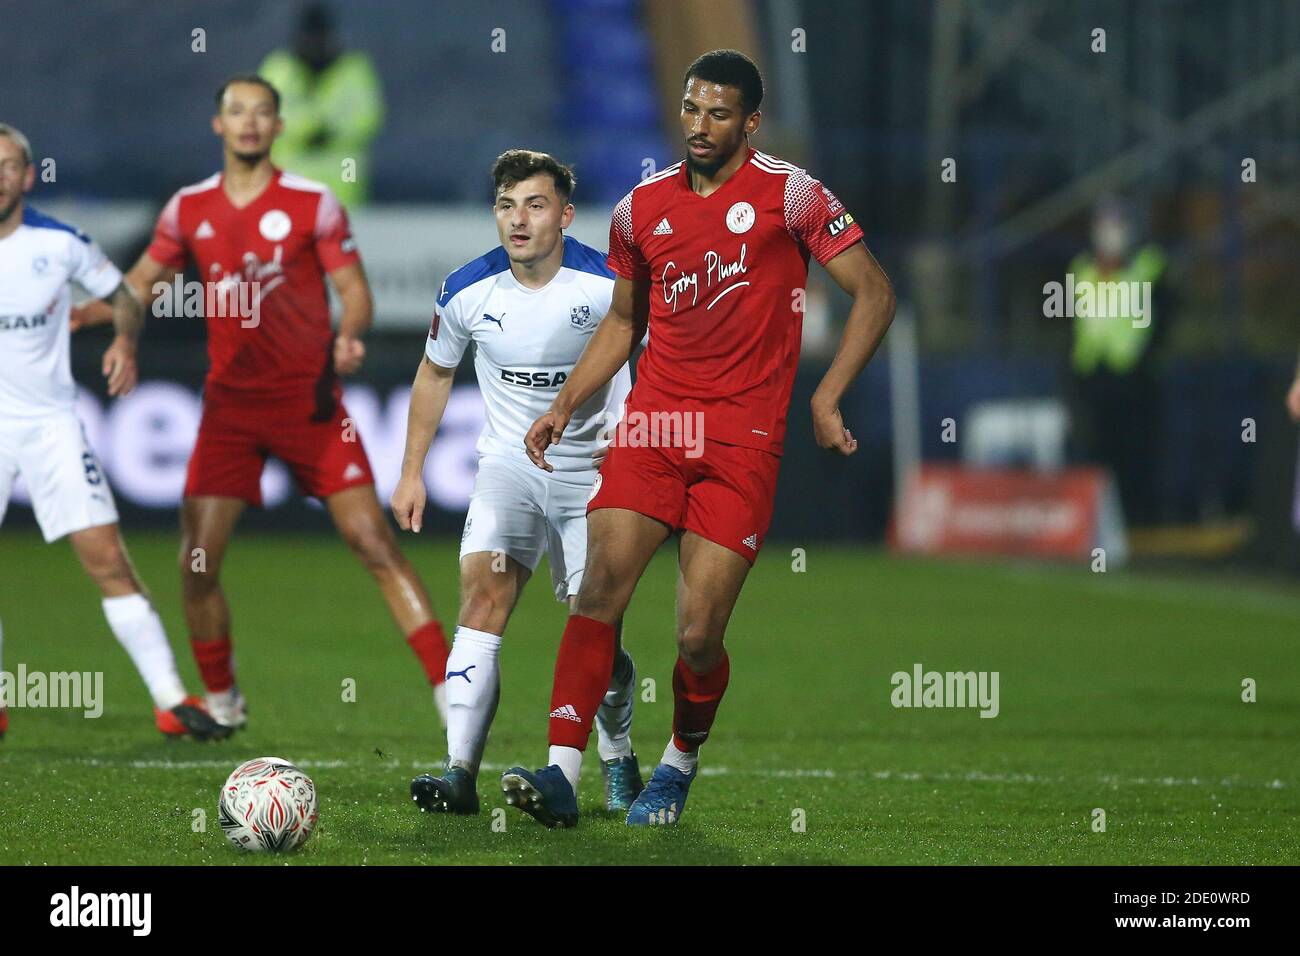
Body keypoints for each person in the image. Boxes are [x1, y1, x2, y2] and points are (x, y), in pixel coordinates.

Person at [500, 50, 896, 827]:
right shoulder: (639, 209)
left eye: (719, 114)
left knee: (697, 635)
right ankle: (560, 774)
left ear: (750, 122)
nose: (700, 126)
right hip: (653, 424)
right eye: (690, 109)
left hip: (741, 440)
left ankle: (678, 765)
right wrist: (565, 405)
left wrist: (827, 394)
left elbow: (875, 292)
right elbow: (623, 320)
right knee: (597, 593)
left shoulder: (792, 195)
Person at [71, 77, 449, 730]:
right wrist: (92, 316)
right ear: (217, 125)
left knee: (375, 544)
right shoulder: (188, 208)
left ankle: (452, 697)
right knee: (197, 564)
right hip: (230, 415)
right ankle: (222, 700)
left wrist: (351, 335)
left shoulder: (313, 204)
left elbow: (354, 291)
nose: (249, 123)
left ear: (278, 127)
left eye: (262, 113)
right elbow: (140, 286)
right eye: (236, 111)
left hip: (311, 405)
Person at [391, 149, 642, 815]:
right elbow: (434, 373)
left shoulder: (607, 283)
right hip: (509, 467)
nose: (518, 219)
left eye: (534, 204)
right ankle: (458, 773)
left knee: (598, 630)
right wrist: (412, 470)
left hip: (595, 473)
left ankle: (618, 752)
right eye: (506, 205)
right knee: (482, 600)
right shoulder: (467, 289)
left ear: (565, 213)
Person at [0, 122, 229, 742]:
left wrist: (124, 342)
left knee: (107, 560)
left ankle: (169, 699)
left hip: (49, 425)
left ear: (27, 176)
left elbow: (124, 294)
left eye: (8, 165)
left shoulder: (60, 243)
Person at [259, 2, 384, 208]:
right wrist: (306, 130)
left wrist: (332, 133)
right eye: (310, 36)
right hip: (286, 187)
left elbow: (368, 117)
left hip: (343, 185)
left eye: (319, 36)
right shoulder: (278, 69)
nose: (314, 42)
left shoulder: (354, 70)